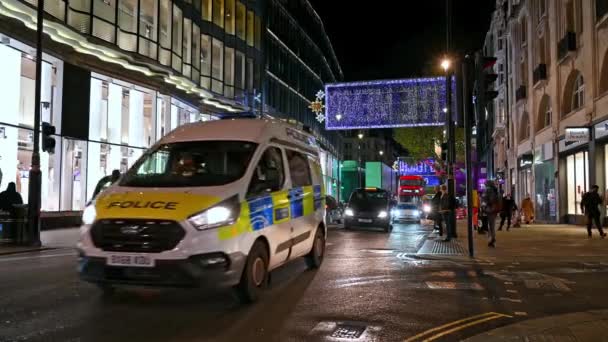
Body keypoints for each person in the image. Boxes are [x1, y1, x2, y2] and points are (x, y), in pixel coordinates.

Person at [482, 180, 500, 247]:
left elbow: (488, 200)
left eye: (485, 184)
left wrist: (485, 204)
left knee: (491, 225)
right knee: (491, 225)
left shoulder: (488, 190)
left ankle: (492, 239)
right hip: (494, 210)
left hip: (490, 210)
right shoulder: (495, 190)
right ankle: (491, 239)